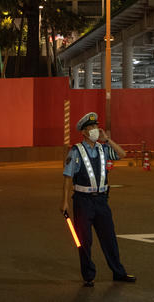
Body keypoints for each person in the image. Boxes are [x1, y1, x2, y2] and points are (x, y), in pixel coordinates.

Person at [60, 112, 137, 288]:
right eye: (91, 128)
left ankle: (119, 272)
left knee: (109, 238)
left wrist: (107, 139)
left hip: (102, 201)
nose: (95, 130)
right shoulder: (76, 151)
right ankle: (88, 276)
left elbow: (122, 154)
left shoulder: (103, 149)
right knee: (84, 241)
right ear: (84, 132)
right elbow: (67, 177)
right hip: (83, 201)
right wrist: (64, 202)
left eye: (96, 127)